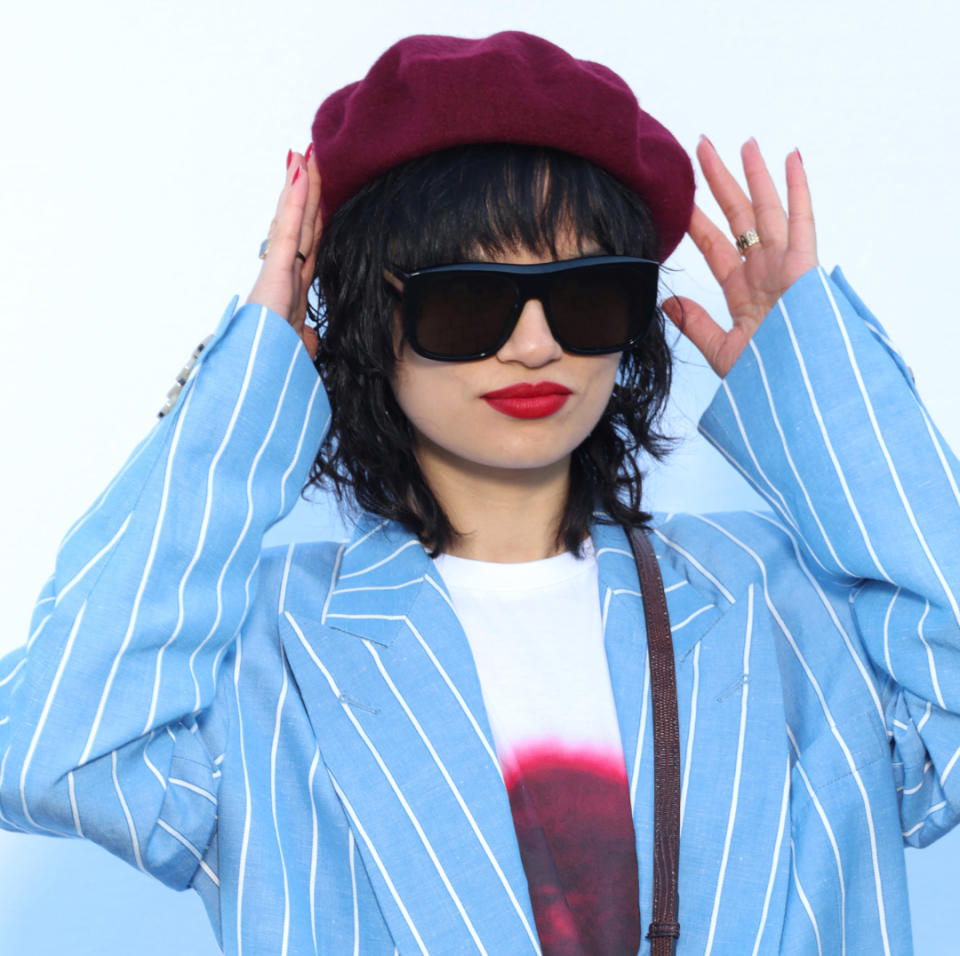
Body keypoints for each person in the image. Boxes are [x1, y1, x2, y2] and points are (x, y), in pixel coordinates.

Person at [0, 29, 957, 956]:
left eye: (587, 297)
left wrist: (820, 387)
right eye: (468, 301)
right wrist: (247, 385)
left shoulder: (771, 602)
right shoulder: (264, 648)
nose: (535, 344)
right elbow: (55, 749)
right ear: (376, 319)